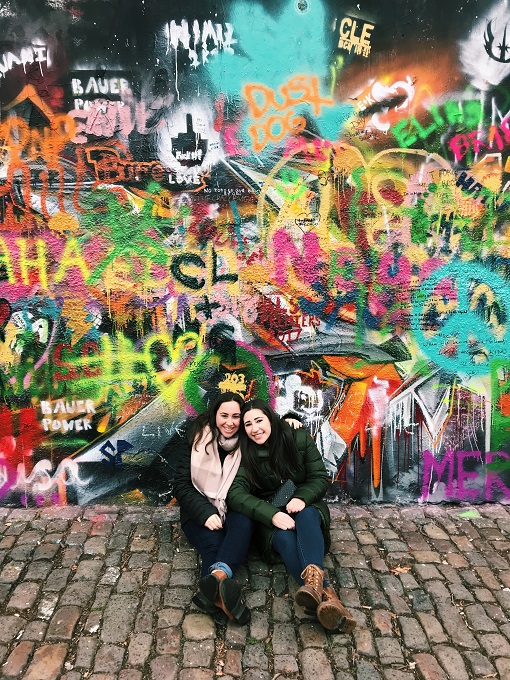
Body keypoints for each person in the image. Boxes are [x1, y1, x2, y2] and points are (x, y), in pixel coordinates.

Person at [227, 399, 356, 632]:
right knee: (285, 540)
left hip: (304, 503)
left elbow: (318, 477)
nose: (254, 429)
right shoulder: (244, 453)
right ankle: (329, 598)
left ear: (271, 419)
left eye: (259, 421)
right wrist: (271, 515)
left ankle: (316, 591)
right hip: (271, 512)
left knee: (307, 517)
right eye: (248, 424)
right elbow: (235, 494)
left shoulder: (298, 438)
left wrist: (302, 498)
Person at [172, 392, 251, 624]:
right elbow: (181, 485)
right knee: (213, 546)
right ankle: (224, 601)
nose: (230, 422)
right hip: (197, 510)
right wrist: (205, 513)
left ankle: (214, 588)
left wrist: (291, 417)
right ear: (215, 414)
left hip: (234, 507)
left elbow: (269, 424)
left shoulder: (249, 439)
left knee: (243, 524)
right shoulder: (197, 436)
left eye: (236, 416)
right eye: (224, 415)